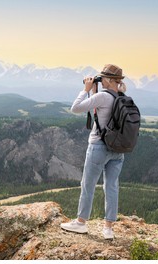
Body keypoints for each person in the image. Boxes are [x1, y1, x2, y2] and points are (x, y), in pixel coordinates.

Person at [60, 64, 126, 240]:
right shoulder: (122, 97)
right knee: (111, 186)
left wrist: (86, 89)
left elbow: (76, 108)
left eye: (102, 77)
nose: (100, 79)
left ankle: (81, 223)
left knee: (88, 184)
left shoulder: (103, 97)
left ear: (109, 80)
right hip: (118, 149)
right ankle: (109, 229)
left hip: (99, 146)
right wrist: (95, 92)